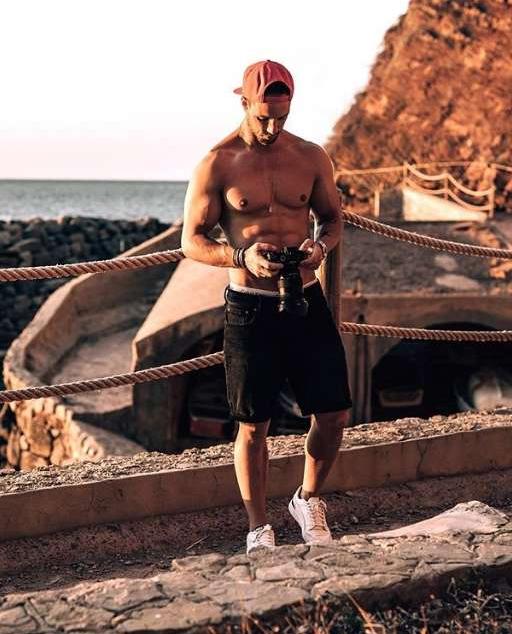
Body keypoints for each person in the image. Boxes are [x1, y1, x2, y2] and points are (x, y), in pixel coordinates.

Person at [182, 60, 353, 553]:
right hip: (249, 306)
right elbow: (192, 241)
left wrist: (320, 248)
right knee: (254, 426)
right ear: (244, 102)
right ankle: (259, 526)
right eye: (264, 116)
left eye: (282, 115)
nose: (273, 127)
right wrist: (241, 256)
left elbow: (332, 220)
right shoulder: (217, 163)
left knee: (334, 414)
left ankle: (308, 499)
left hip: (305, 297)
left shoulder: (310, 156)